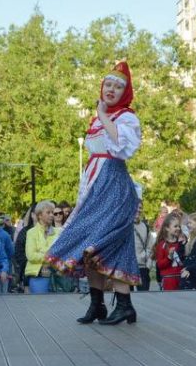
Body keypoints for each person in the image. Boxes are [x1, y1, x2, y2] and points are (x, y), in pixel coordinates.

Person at [45, 62, 143, 324]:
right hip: (93, 184)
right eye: (108, 84)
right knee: (89, 246)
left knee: (104, 241)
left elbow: (122, 149)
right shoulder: (100, 118)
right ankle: (97, 304)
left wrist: (103, 117)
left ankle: (123, 305)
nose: (111, 90)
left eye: (118, 86)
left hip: (112, 184)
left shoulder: (126, 118)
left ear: (126, 92)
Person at [24, 201, 61, 287]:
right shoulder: (31, 232)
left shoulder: (58, 232)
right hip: (38, 275)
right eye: (48, 212)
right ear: (40, 215)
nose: (52, 215)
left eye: (52, 212)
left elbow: (61, 252)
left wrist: (43, 254)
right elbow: (31, 255)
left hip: (57, 275)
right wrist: (49, 256)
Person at [154, 213, 186, 291]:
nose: (178, 228)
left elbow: (185, 260)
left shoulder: (181, 243)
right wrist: (169, 257)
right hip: (168, 280)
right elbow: (159, 265)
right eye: (175, 226)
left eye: (179, 226)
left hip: (181, 278)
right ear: (167, 228)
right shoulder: (162, 244)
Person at [131, 201, 152, 292]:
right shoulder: (124, 226)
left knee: (144, 295)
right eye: (135, 207)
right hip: (127, 267)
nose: (138, 210)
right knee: (126, 297)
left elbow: (150, 247)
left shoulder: (145, 227)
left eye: (140, 207)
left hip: (142, 268)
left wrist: (147, 265)